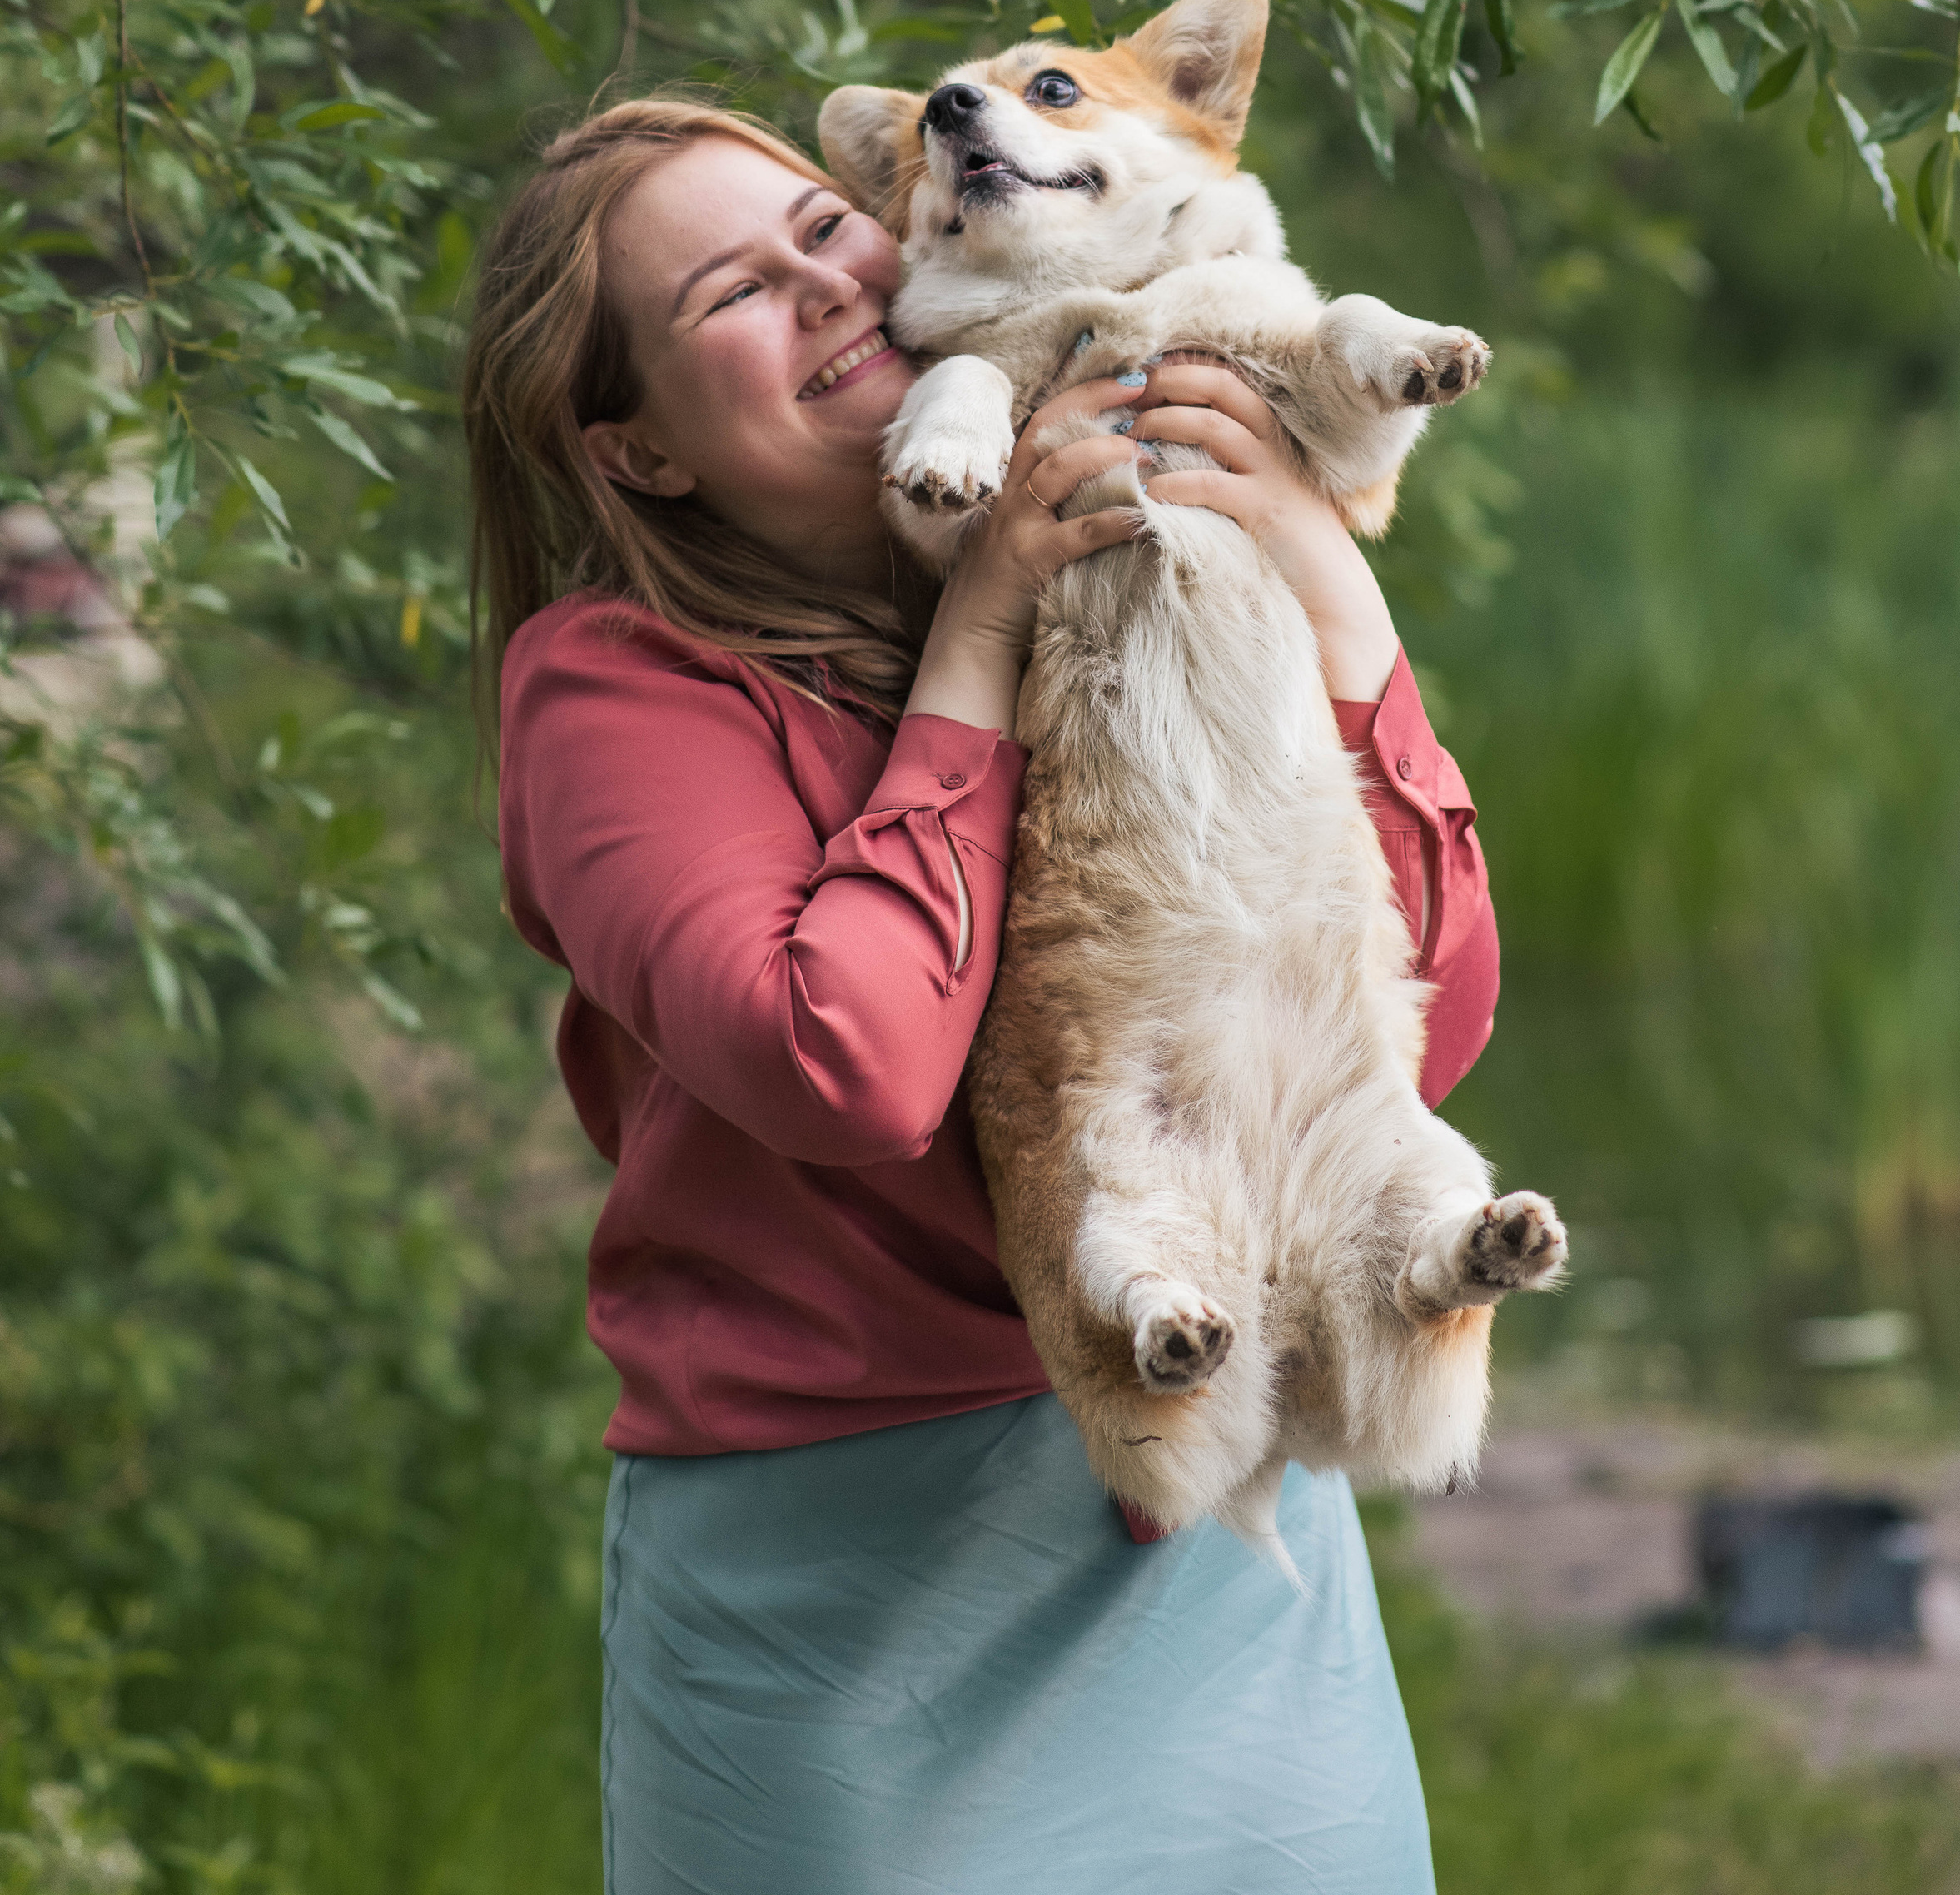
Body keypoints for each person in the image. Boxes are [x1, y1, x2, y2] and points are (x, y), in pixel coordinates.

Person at [465, 96, 1501, 1894]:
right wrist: (977, 638)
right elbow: (843, 1065)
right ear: (636, 450)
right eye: (733, 291)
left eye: (821, 228)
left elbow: (1431, 1018)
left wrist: (1328, 580)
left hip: (1214, 1500)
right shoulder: (615, 692)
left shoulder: (1122, 541)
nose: (820, 284)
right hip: (851, 1580)